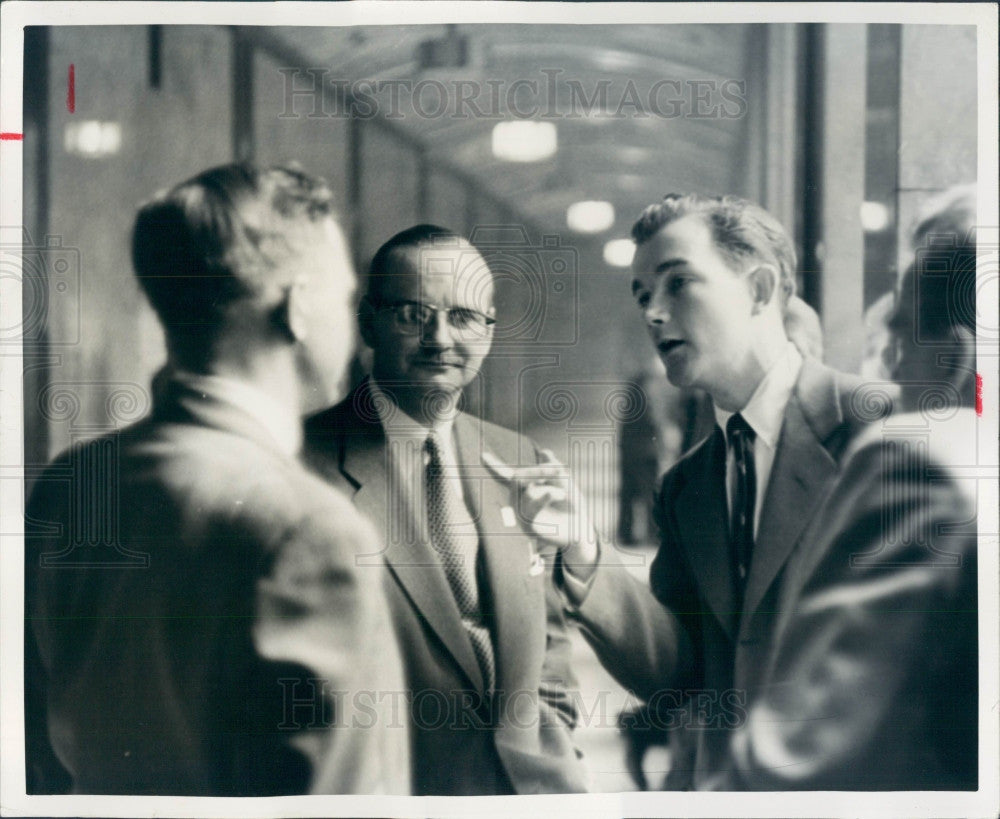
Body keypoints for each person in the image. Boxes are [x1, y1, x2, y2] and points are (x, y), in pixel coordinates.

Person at [24, 164, 409, 795]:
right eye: (346, 298)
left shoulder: (71, 483)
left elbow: (33, 755)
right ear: (300, 306)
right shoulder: (310, 527)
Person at [490, 193, 878, 790]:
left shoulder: (880, 432)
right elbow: (682, 675)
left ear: (759, 289)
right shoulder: (688, 486)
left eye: (678, 284)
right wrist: (584, 554)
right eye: (644, 295)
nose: (652, 313)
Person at [302, 225, 587, 795]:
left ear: (489, 330)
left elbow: (547, 636)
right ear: (368, 323)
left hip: (530, 791)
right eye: (412, 314)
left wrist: (558, 743)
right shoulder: (302, 464)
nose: (439, 339)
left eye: (463, 317)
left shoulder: (517, 456)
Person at [724, 184, 979, 790]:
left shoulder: (924, 460)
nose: (887, 368)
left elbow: (799, 764)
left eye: (901, 337)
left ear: (953, 361)